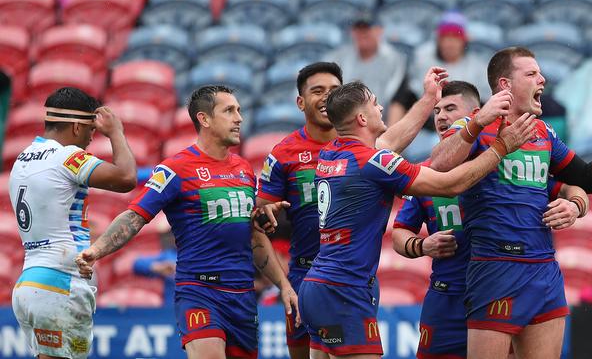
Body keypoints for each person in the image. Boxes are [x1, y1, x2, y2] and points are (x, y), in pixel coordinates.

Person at [429, 47, 592, 359]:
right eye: (531, 74)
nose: (542, 79)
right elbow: (439, 164)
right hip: (494, 267)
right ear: (505, 85)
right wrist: (476, 125)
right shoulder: (476, 124)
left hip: (543, 269)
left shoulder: (542, 131)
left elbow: (585, 178)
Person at [298, 79, 538, 359]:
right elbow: (449, 185)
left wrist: (427, 99)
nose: (381, 107)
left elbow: (390, 141)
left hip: (315, 286)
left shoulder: (331, 153)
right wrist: (501, 147)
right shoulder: (374, 163)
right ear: (362, 118)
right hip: (345, 289)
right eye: (375, 103)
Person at [75, 85, 299, 359]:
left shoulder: (243, 170)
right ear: (204, 119)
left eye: (239, 110)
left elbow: (253, 237)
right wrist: (96, 250)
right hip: (199, 291)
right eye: (229, 110)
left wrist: (284, 285)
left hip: (242, 296)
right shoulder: (176, 169)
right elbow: (135, 216)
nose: (239, 118)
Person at [257, 62, 459, 359]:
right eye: (318, 90)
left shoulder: (341, 149)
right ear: (300, 102)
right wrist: (282, 283)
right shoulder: (287, 153)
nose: (326, 97)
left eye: (333, 90)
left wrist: (429, 99)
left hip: (346, 278)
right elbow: (259, 223)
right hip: (315, 276)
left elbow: (389, 142)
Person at [392, 81, 589, 358]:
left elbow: (572, 185)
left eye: (451, 109)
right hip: (447, 297)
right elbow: (399, 234)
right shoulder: (427, 175)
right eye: (436, 111)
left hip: (499, 288)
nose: (442, 117)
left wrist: (576, 204)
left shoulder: (506, 164)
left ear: (478, 113)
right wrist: (422, 246)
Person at [9, 87, 137, 359]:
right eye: (92, 129)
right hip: (60, 281)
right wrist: (116, 132)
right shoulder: (67, 156)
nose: (93, 137)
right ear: (77, 126)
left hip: (29, 281)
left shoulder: (21, 159)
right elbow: (126, 177)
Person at [388, 11, 490, 162]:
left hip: (465, 133)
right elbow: (400, 101)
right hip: (424, 130)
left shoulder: (478, 68)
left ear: (464, 40)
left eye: (455, 37)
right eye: (445, 37)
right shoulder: (422, 62)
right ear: (438, 39)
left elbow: (486, 109)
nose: (449, 43)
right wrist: (391, 142)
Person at [323, 11, 407, 113]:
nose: (362, 33)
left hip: (380, 120)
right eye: (358, 29)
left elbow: (398, 100)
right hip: (343, 119)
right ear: (352, 32)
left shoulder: (395, 60)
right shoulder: (337, 57)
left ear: (379, 30)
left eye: (367, 28)